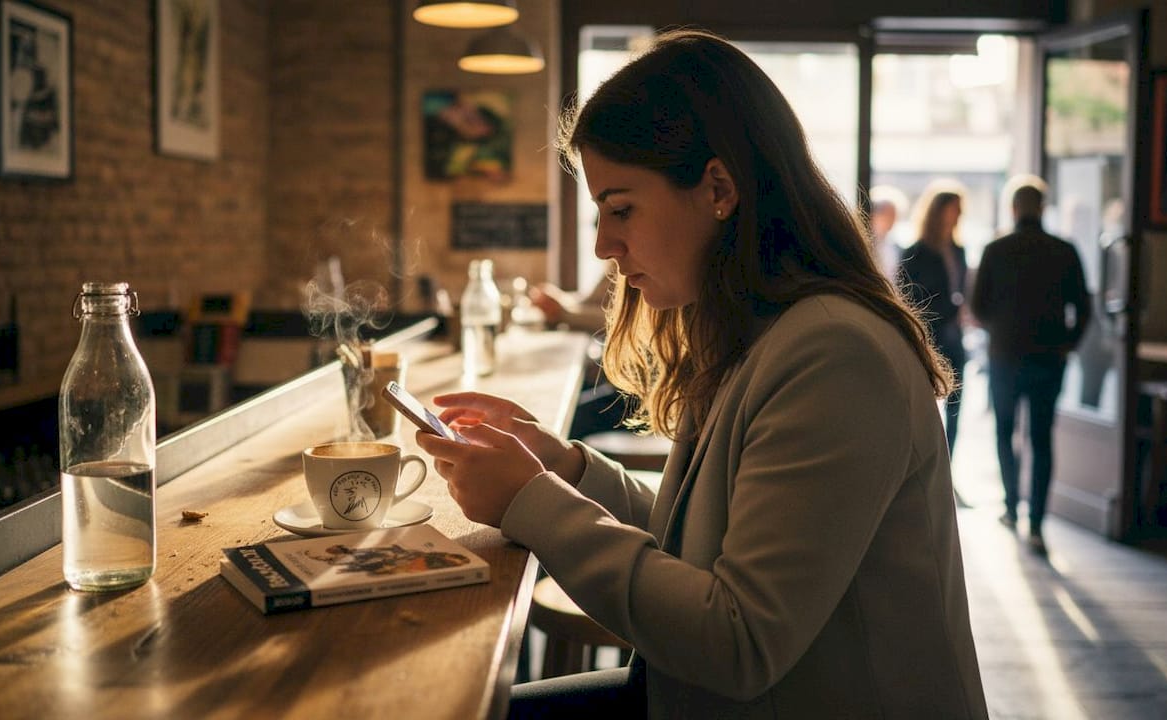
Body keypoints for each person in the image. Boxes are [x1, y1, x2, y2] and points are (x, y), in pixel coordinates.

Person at [415, 29, 987, 719]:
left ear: (718, 188)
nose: (603, 244)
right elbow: (697, 541)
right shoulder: (755, 328)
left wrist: (528, 501)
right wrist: (563, 467)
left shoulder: (835, 355)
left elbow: (737, 642)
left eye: (621, 208)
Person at [972, 178, 1091, 555]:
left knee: (1005, 432)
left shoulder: (995, 249)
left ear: (1012, 209)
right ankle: (1037, 522)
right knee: (1042, 438)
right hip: (1048, 357)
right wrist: (1067, 344)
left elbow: (977, 306)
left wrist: (1000, 331)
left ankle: (1011, 507)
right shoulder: (1064, 251)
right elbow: (1083, 308)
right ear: (1043, 208)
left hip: (1005, 356)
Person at [900, 182, 969, 456]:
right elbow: (909, 300)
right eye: (953, 211)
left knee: (955, 408)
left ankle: (948, 467)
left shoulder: (958, 251)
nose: (957, 217)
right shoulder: (916, 253)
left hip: (955, 336)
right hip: (928, 337)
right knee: (924, 406)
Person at [867, 184, 907, 284]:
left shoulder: (897, 248)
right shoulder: (863, 243)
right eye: (887, 214)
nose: (891, 220)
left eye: (894, 215)